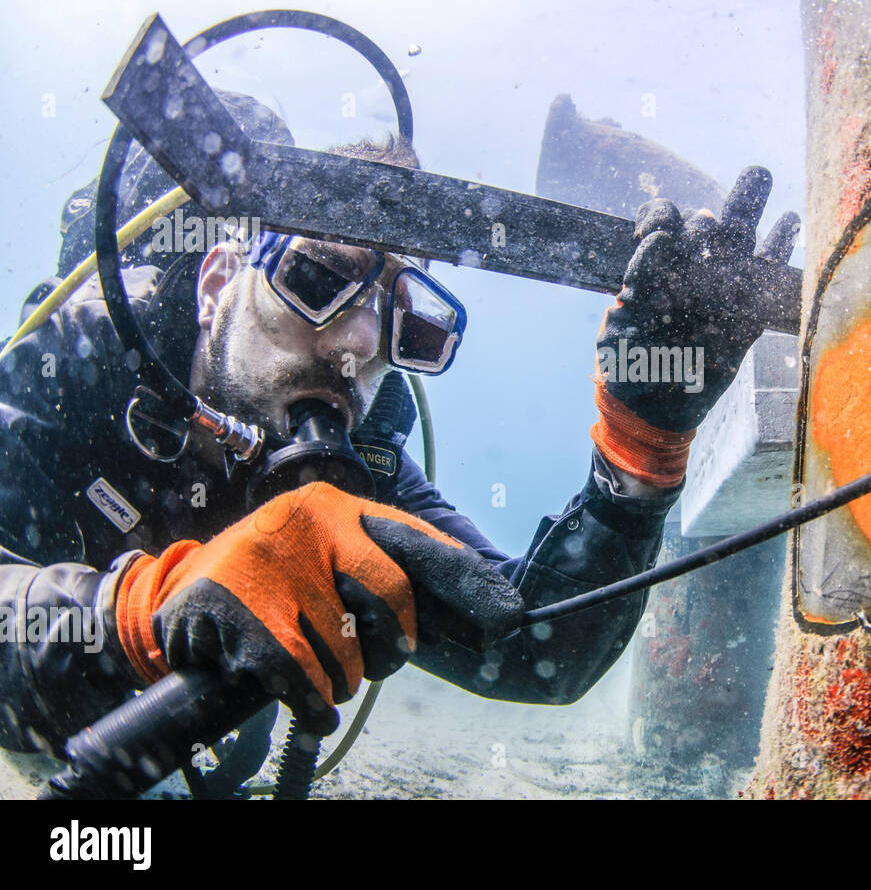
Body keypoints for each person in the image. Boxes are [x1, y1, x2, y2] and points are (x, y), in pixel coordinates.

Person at [0, 95, 797, 776]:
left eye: (395, 322)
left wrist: (641, 447)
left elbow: (535, 646)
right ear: (217, 279)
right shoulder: (77, 365)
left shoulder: (364, 472)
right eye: (314, 281)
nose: (355, 344)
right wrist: (149, 609)